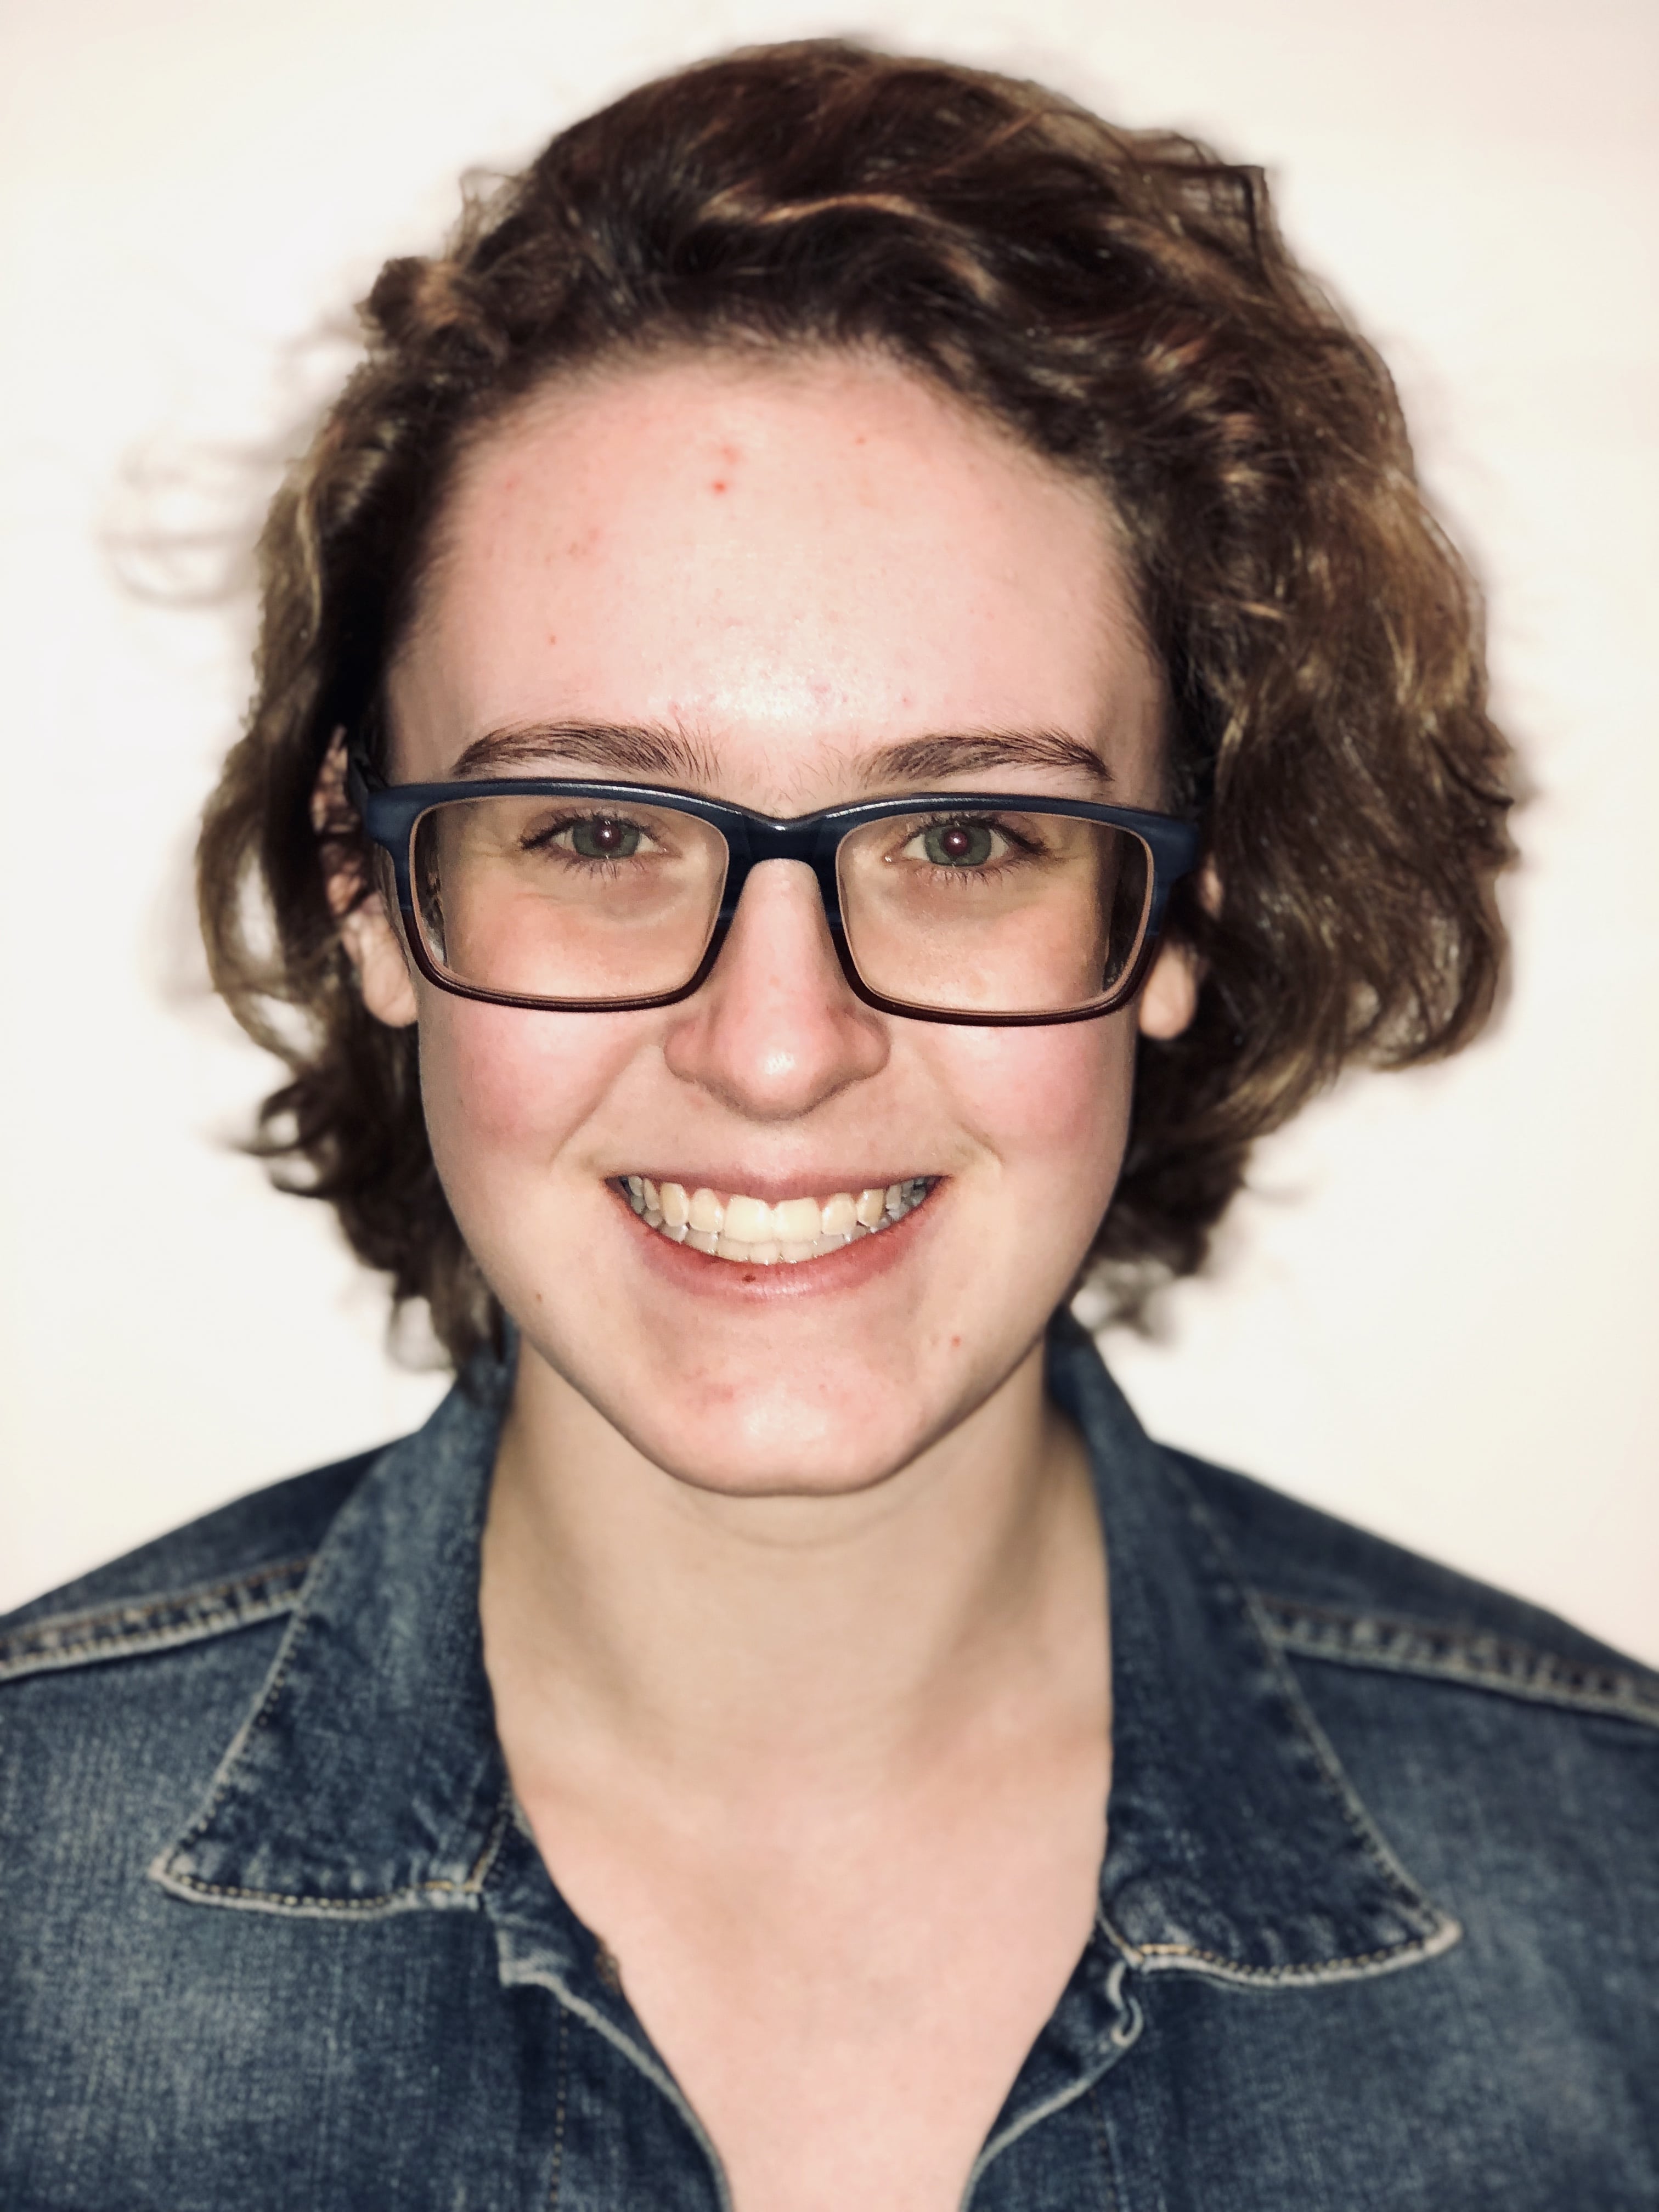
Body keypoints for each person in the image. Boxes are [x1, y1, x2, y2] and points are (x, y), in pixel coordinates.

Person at [1, 39, 1653, 2211]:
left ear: (1180, 912)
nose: (776, 1046)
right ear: (366, 889)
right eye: (593, 825)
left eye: (968, 837)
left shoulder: (1612, 1931)